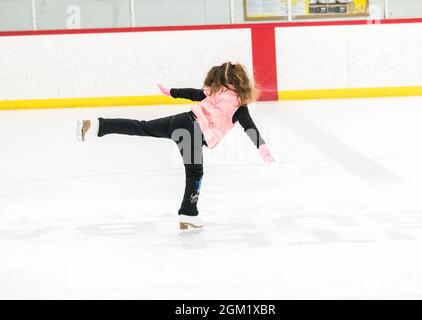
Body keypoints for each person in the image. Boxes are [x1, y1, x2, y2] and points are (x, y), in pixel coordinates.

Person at [77, 62, 274, 230]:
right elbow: (250, 127)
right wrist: (262, 148)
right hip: (192, 133)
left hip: (180, 122)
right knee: (195, 173)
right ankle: (188, 212)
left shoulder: (212, 92)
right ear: (242, 81)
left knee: (142, 127)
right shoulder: (239, 104)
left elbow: (189, 93)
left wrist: (169, 92)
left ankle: (98, 125)